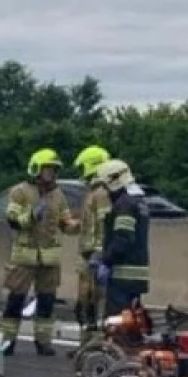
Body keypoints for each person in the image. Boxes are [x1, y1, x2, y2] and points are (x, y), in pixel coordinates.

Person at [0, 149, 80, 356]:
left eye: (54, 169)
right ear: (36, 169)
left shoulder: (58, 194)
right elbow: (13, 221)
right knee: (16, 300)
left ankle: (43, 342)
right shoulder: (20, 191)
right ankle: (8, 341)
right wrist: (31, 216)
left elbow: (65, 222)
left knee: (46, 301)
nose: (52, 173)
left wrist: (78, 226)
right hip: (24, 255)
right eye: (48, 169)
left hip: (50, 258)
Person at [90, 159, 150, 320]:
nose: (106, 191)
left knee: (117, 323)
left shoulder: (124, 205)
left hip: (122, 277)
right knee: (132, 322)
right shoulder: (140, 203)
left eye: (105, 186)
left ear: (114, 181)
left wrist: (106, 261)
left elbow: (123, 238)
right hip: (137, 276)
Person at [70, 145, 112, 353]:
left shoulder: (102, 193)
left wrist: (99, 253)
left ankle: (94, 347)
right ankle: (84, 346)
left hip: (94, 255)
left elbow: (104, 225)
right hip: (85, 254)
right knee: (83, 305)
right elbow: (88, 224)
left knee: (93, 304)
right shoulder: (92, 193)